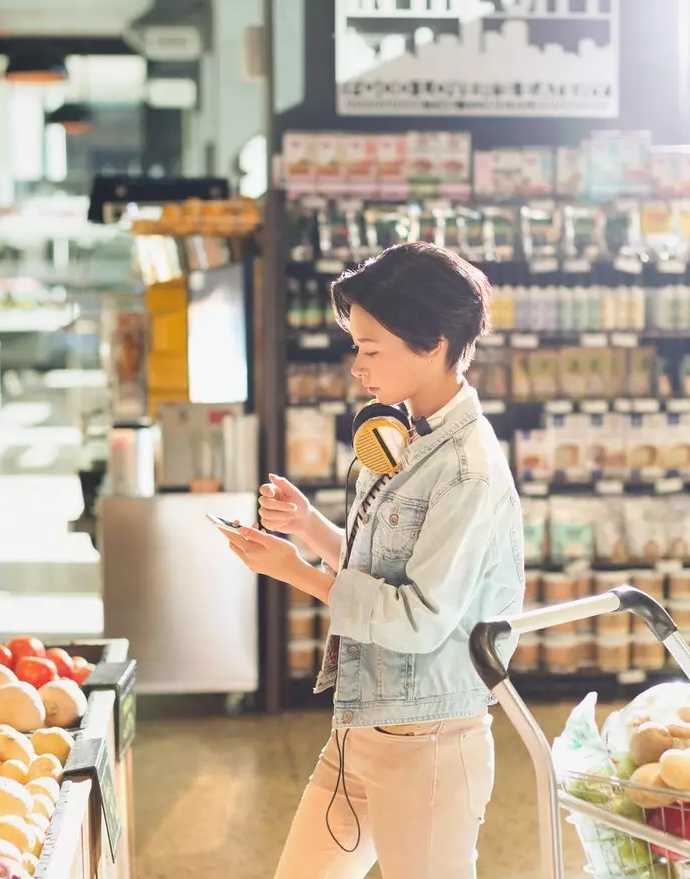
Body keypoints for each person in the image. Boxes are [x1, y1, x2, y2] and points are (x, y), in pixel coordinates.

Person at [221, 241, 525, 878]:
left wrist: (296, 574)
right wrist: (308, 527)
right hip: (362, 726)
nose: (357, 364)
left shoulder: (467, 470)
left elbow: (417, 618)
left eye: (371, 347)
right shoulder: (407, 431)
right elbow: (381, 568)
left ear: (434, 344)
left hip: (431, 746)